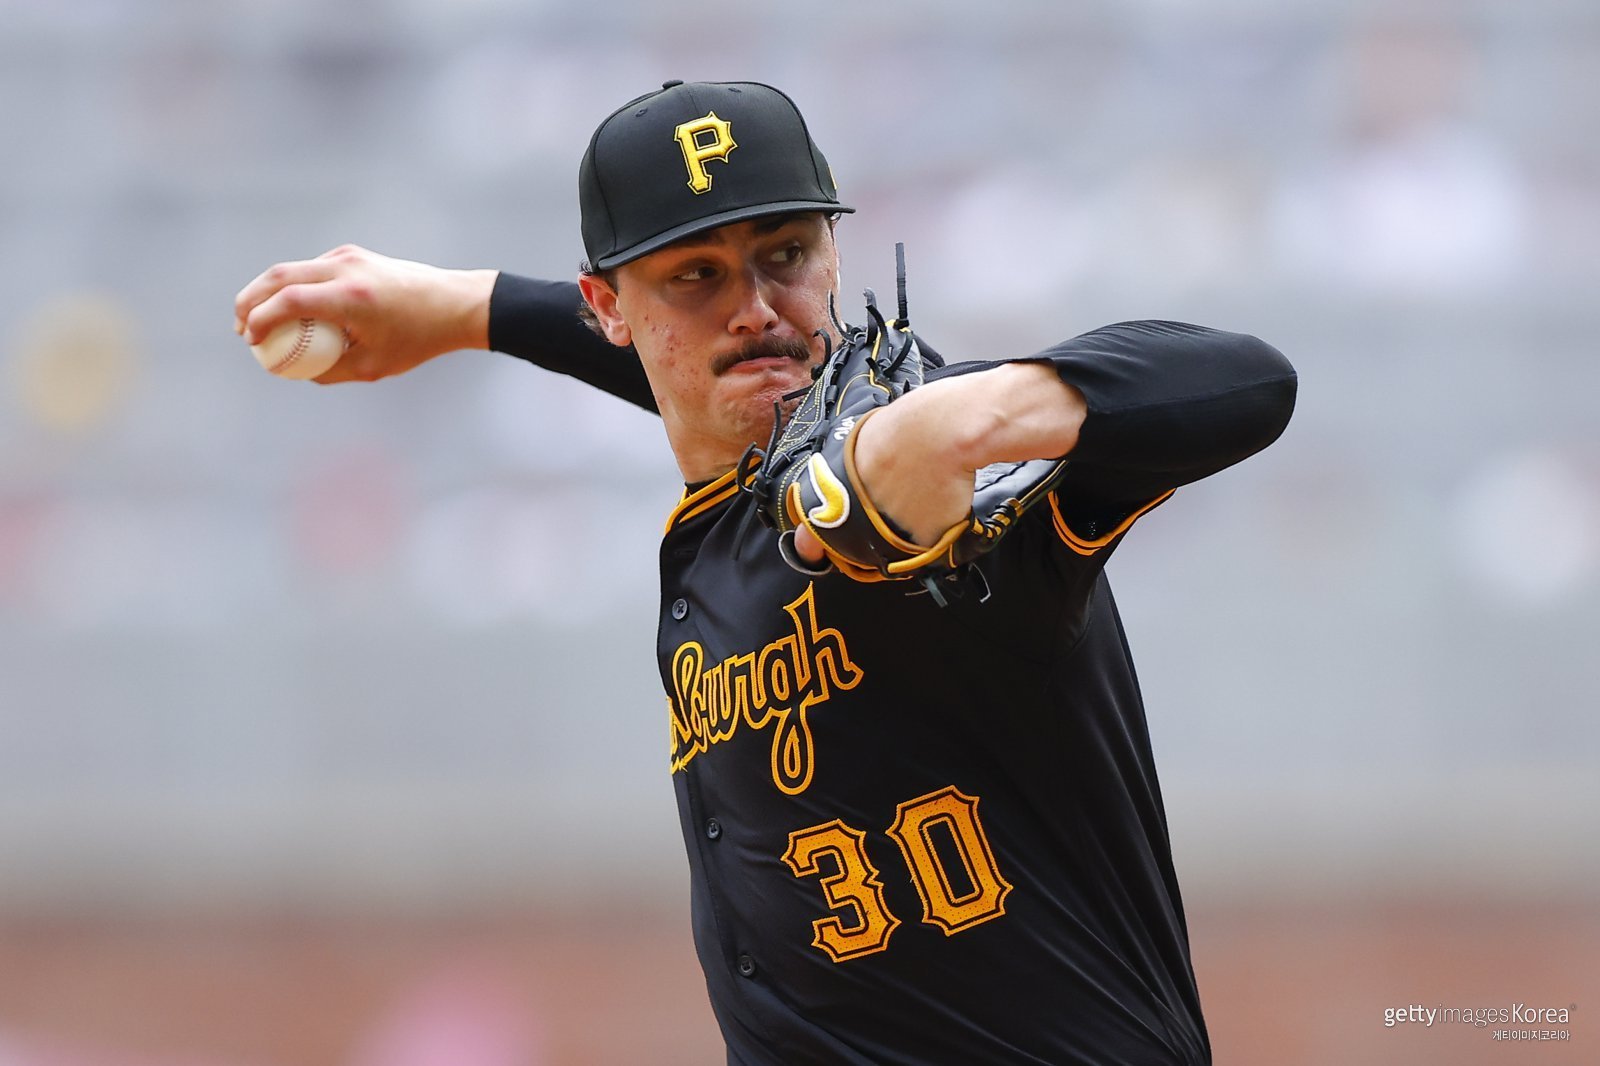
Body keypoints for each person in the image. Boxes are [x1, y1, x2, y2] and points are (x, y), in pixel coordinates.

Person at [235, 79, 1297, 1066]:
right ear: (607, 306)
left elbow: (1247, 380)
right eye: (694, 273)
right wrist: (469, 306)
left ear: (834, 255)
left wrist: (961, 421)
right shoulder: (735, 475)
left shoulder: (938, 473)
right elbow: (708, 375)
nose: (754, 306)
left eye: (786, 254)